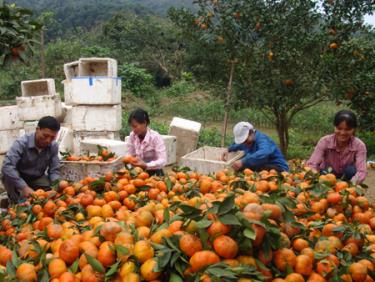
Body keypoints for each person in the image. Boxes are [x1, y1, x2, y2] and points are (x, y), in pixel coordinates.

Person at [1, 116, 61, 204]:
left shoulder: (53, 146)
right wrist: (24, 187)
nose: (48, 140)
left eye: (52, 137)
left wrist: (56, 186)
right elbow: (7, 166)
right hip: (18, 177)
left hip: (37, 178)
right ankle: (13, 200)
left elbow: (54, 170)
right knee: (7, 177)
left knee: (50, 192)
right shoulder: (21, 143)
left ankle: (32, 196)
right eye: (45, 135)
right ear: (37, 129)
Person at [306, 110, 367, 184]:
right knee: (325, 172)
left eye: (347, 129)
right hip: (328, 175)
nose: (342, 133)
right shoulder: (325, 141)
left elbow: (361, 171)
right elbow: (312, 163)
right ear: (334, 127)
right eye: (339, 128)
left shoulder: (359, 145)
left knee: (351, 170)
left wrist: (351, 185)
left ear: (353, 129)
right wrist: (315, 178)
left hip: (347, 177)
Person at [222, 122, 289, 172]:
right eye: (243, 142)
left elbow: (264, 152)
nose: (245, 144)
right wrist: (228, 149)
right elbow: (239, 145)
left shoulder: (262, 139)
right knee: (243, 169)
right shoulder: (247, 141)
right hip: (264, 165)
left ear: (251, 133)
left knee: (256, 168)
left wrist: (243, 161)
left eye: (246, 140)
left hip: (278, 168)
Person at [126, 108, 167, 176]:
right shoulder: (132, 136)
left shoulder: (155, 137)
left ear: (145, 123)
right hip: (137, 171)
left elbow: (163, 160)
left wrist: (146, 165)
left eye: (135, 126)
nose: (133, 130)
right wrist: (130, 169)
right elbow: (129, 155)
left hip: (154, 172)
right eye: (132, 127)